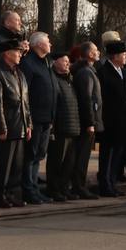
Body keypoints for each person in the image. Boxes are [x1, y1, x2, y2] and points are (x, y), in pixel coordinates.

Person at [0, 38, 31, 207]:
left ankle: (11, 193)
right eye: (17, 51)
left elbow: (25, 101)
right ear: (6, 53)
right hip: (7, 126)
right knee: (2, 164)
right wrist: (1, 126)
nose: (20, 55)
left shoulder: (19, 73)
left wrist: (29, 124)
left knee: (16, 165)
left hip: (20, 125)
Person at [19, 31, 55, 205]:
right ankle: (28, 189)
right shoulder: (28, 63)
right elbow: (25, 94)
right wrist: (28, 120)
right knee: (31, 155)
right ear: (39, 44)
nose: (50, 44)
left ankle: (34, 188)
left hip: (47, 118)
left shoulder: (46, 62)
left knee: (39, 155)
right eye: (48, 41)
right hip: (34, 118)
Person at [96, 35, 126, 197]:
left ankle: (112, 182)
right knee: (107, 155)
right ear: (115, 56)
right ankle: (105, 184)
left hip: (123, 121)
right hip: (110, 122)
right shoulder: (104, 72)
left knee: (117, 155)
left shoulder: (123, 72)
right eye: (124, 54)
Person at [45, 50, 81, 202]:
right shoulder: (53, 79)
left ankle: (64, 189)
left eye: (68, 61)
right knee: (56, 161)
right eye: (64, 61)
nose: (68, 64)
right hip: (60, 128)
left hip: (72, 126)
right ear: (55, 62)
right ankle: (53, 189)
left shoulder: (69, 80)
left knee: (69, 163)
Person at [72, 42, 103, 199]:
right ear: (89, 54)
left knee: (83, 156)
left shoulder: (90, 71)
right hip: (86, 123)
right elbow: (86, 99)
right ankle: (79, 186)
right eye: (96, 50)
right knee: (81, 156)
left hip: (89, 121)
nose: (98, 52)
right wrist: (90, 122)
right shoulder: (86, 73)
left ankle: (79, 185)